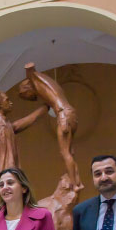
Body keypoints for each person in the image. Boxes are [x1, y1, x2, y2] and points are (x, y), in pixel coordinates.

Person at [19, 62, 82, 191]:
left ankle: (74, 185)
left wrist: (62, 118)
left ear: (27, 88)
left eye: (25, 95)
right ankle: (78, 181)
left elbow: (29, 70)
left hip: (63, 113)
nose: (31, 98)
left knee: (64, 152)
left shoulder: (36, 80)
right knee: (70, 151)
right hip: (70, 113)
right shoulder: (48, 86)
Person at [0, 90, 47, 205]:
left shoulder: (6, 124)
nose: (11, 103)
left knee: (17, 195)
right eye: (7, 100)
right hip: (3, 169)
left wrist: (43, 109)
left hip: (13, 167)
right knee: (3, 198)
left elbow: (23, 122)